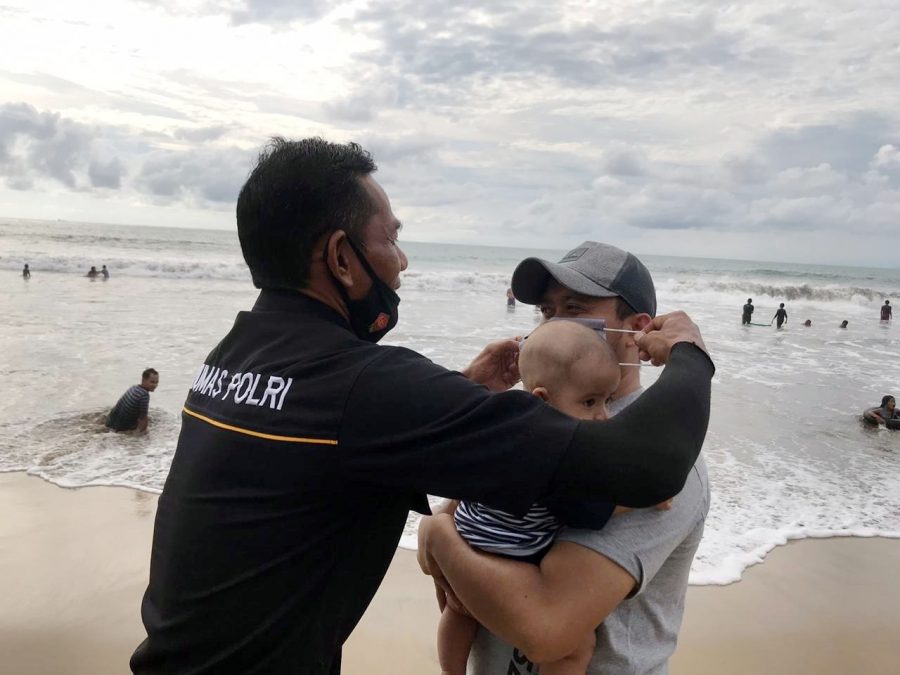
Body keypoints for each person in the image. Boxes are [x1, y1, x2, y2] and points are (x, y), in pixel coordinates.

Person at [129, 138, 714, 675]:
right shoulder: (365, 388)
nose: (402, 261)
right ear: (340, 257)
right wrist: (690, 353)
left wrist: (441, 531)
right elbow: (647, 464)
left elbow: (356, 441)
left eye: (575, 308)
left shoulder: (234, 356)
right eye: (391, 239)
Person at [418, 241, 710, 675]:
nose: (555, 325)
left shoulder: (660, 457)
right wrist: (437, 535)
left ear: (636, 328)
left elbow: (545, 628)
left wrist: (437, 535)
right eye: (547, 312)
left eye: (574, 308)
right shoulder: (538, 420)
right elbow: (446, 549)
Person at [440, 320, 622, 675]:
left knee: (458, 612)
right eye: (589, 402)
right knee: (576, 647)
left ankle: (451, 672)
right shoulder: (555, 454)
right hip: (509, 556)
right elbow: (587, 511)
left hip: (467, 536)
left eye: (607, 401)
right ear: (542, 400)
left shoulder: (504, 422)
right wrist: (640, 497)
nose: (603, 416)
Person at [106, 368, 159, 433]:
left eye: (157, 382)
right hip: (120, 428)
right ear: (143, 380)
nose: (155, 385)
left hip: (109, 421)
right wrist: (140, 437)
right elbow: (143, 419)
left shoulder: (134, 387)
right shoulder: (144, 395)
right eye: (152, 382)